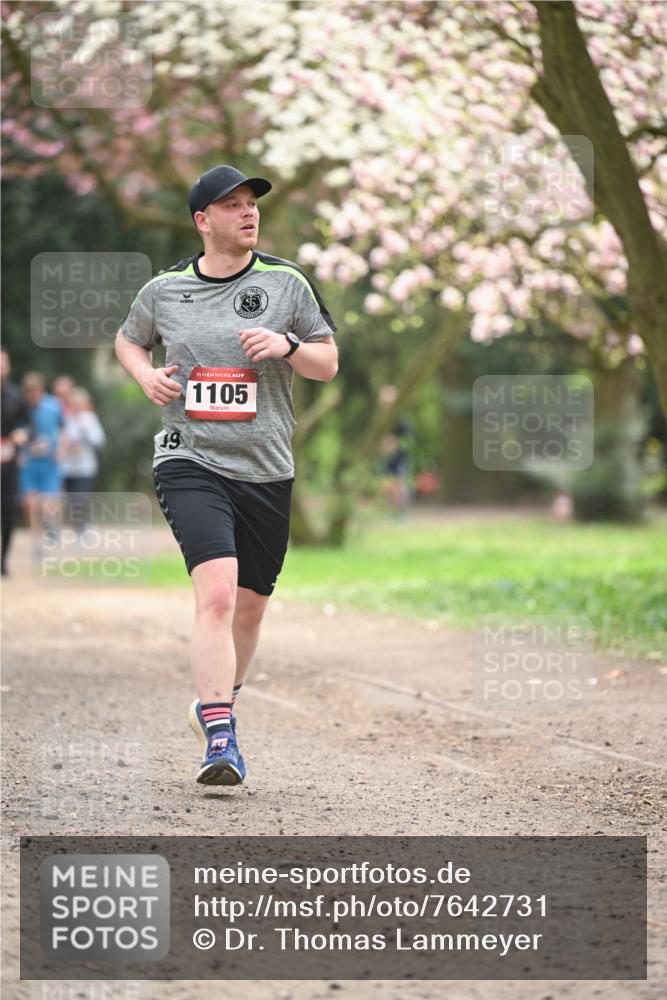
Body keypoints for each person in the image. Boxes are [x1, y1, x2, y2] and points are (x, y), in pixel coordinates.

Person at [114, 164, 338, 786]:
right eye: (232, 204)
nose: (248, 213)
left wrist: (289, 348)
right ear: (202, 220)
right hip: (190, 456)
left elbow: (328, 363)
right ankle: (220, 738)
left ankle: (217, 702)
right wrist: (144, 376)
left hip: (266, 468)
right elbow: (129, 341)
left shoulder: (287, 283)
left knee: (251, 607)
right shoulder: (163, 291)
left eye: (252, 204)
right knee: (215, 593)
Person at [19, 372, 64, 552]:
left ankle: (50, 525)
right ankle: (37, 544)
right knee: (29, 504)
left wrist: (60, 450)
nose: (33, 396)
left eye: (36, 392)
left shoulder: (54, 406)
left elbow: (64, 430)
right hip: (28, 463)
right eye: (30, 393)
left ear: (41, 391)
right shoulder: (21, 408)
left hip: (49, 463)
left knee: (48, 505)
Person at [58, 387, 106, 537]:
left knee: (80, 498)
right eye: (74, 403)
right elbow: (61, 440)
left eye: (80, 403)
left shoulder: (90, 419)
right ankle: (79, 528)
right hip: (67, 468)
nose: (77, 406)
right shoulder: (66, 419)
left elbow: (99, 441)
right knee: (71, 501)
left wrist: (86, 431)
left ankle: (83, 528)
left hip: (85, 468)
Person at [0, 350, 30, 575]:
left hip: (8, 463)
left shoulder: (15, 396)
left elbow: (28, 425)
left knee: (8, 511)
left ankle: (3, 561)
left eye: (4, 362)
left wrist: (23, 434)